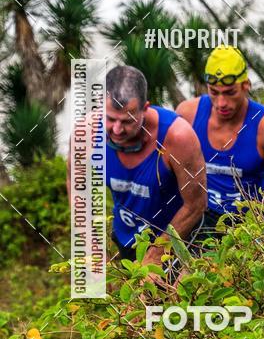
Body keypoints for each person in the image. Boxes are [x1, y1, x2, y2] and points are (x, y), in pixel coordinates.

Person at [67, 65, 207, 267]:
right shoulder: (85, 134)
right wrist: (95, 250)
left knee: (171, 296)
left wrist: (156, 255)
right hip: (128, 240)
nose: (116, 129)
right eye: (110, 118)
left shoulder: (177, 137)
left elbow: (196, 204)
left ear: (145, 108)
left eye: (127, 121)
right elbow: (76, 189)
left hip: (180, 238)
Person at [176, 45, 264, 236]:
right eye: (214, 92)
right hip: (200, 219)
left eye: (230, 92)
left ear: (246, 85)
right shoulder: (188, 114)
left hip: (252, 223)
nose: (221, 103)